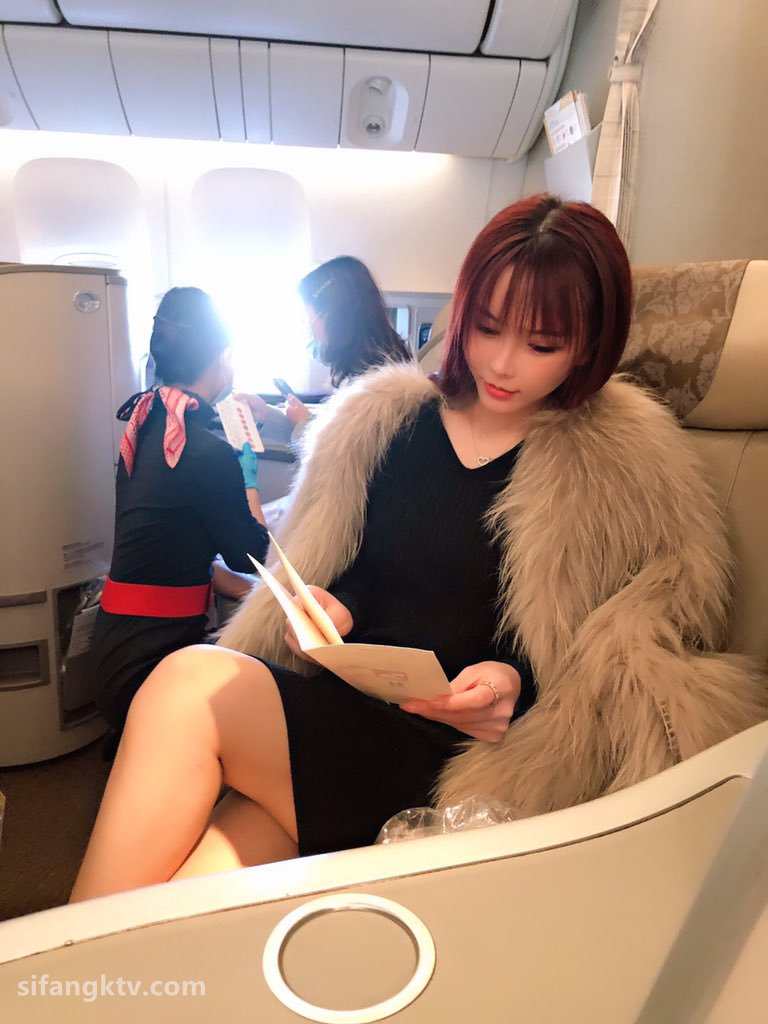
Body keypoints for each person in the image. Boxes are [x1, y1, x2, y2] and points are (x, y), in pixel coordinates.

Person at [71, 196, 767, 901]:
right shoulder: (388, 425)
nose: (502, 363)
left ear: (588, 345)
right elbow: (366, 570)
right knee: (174, 911)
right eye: (487, 328)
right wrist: (335, 608)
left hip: (456, 758)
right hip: (342, 714)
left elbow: (599, 656)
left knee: (188, 685)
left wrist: (511, 683)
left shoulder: (615, 470)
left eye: (542, 345)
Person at [91, 286, 269, 745]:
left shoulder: (143, 429)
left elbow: (172, 550)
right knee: (273, 688)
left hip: (115, 652)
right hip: (151, 664)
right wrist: (248, 476)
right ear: (223, 358)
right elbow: (254, 554)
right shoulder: (206, 451)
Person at [245, 255, 412, 445]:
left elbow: (343, 454)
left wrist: (303, 425)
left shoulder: (374, 387)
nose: (308, 324)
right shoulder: (375, 365)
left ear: (330, 314)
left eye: (308, 313)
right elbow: (336, 434)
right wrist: (267, 414)